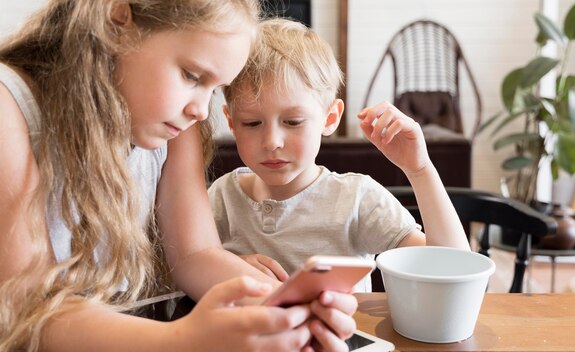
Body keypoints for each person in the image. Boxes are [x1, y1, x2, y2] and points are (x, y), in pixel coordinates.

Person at [0, 1, 357, 351]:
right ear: (118, 21)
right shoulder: (11, 109)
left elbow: (194, 254)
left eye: (214, 88)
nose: (201, 111)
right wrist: (184, 340)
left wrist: (284, 309)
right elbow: (28, 313)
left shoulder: (175, 124)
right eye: (191, 76)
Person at [209, 18, 471, 291]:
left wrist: (420, 170)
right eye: (252, 123)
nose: (272, 142)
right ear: (231, 122)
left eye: (293, 122)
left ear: (330, 118)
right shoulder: (222, 198)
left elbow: (454, 270)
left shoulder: (357, 199)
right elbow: (181, 269)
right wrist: (226, 269)